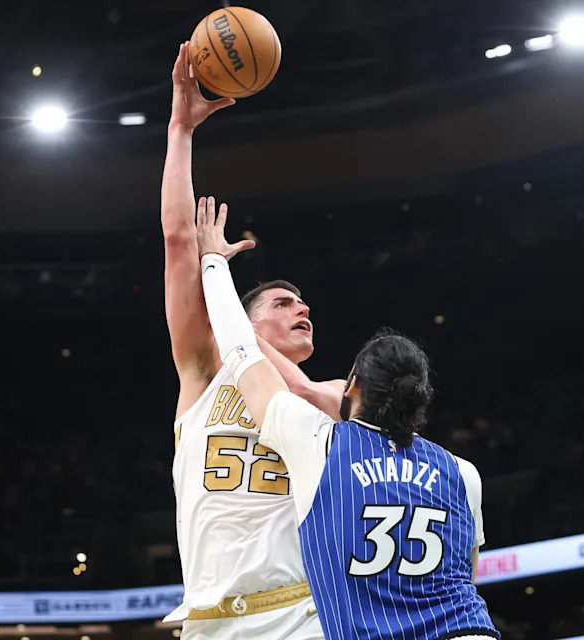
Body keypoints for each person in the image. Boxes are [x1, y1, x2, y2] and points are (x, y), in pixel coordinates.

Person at [194, 201, 500, 640]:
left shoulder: (319, 443)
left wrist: (212, 264)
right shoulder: (462, 473)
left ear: (352, 385)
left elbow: (242, 350)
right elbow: (466, 574)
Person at [160, 42, 343, 640]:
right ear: (244, 316)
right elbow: (179, 240)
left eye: (303, 302)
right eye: (284, 303)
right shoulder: (201, 372)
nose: (303, 308)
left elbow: (334, 404)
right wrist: (180, 129)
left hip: (302, 612)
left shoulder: (325, 396)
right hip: (210, 622)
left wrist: (232, 310)